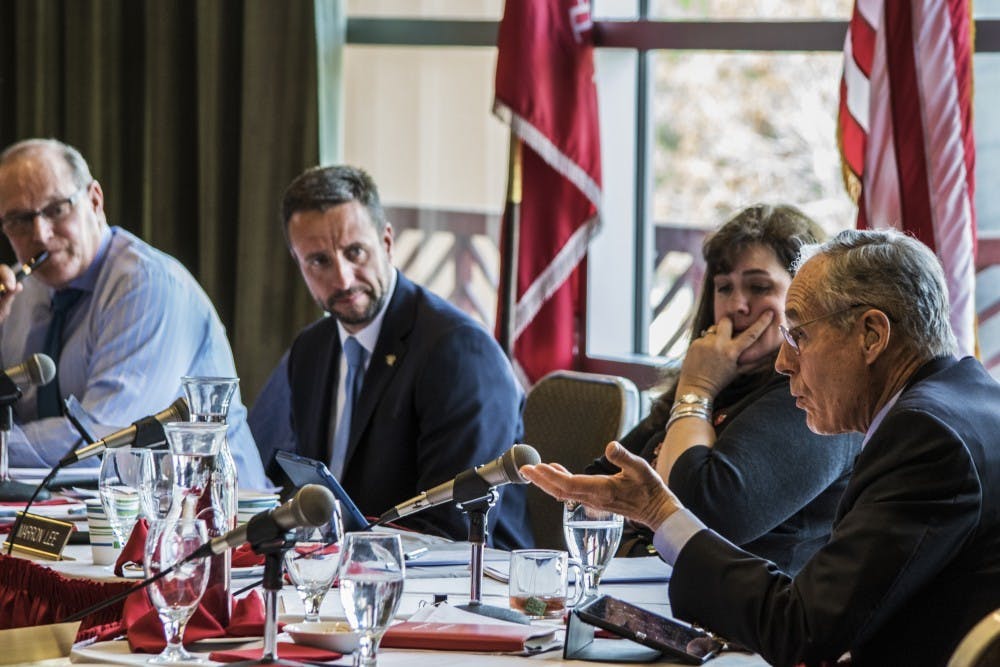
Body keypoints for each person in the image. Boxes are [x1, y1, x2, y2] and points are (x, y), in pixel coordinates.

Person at [523, 228, 1000, 667]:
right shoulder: (965, 403)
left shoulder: (926, 436)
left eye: (799, 335)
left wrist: (661, 514)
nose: (784, 362)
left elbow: (802, 631)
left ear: (872, 335)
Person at [253, 164, 530, 549]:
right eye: (319, 261)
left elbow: (452, 530)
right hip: (342, 574)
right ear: (298, 264)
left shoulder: (460, 353)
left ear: (386, 242)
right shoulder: (310, 350)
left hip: (468, 587)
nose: (344, 278)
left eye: (355, 252)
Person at [588, 204, 860, 573]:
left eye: (759, 286)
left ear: (803, 297)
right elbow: (595, 484)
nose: (736, 306)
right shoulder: (722, 377)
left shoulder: (810, 398)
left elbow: (701, 517)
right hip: (649, 593)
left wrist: (697, 390)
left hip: (752, 616)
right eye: (724, 287)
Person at [0, 138, 268, 488]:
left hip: (211, 519)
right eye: (20, 220)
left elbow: (101, 442)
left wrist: (4, 447)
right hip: (83, 515)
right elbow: (13, 412)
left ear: (95, 200)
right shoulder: (19, 292)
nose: (40, 233)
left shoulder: (147, 284)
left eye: (56, 209)